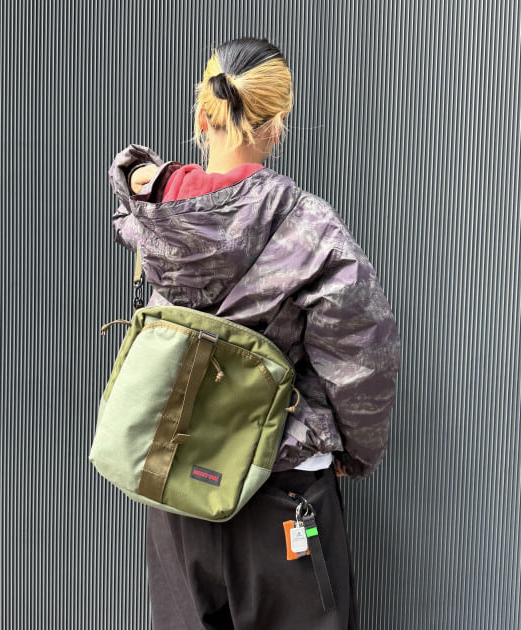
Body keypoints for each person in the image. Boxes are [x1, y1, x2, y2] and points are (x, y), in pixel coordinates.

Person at [107, 37, 401, 630]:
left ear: (202, 117)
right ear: (277, 125)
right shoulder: (307, 226)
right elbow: (362, 352)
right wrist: (355, 452)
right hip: (278, 485)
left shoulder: (156, 212)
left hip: (173, 479)